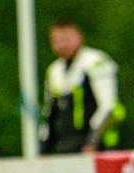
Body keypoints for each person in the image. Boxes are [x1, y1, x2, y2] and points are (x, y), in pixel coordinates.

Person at [40, 19, 124, 154]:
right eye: (57, 41)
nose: (62, 45)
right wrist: (43, 148)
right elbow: (49, 113)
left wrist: (93, 141)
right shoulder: (54, 70)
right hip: (66, 146)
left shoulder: (96, 61)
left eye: (67, 39)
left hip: (99, 146)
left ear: (79, 37)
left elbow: (110, 106)